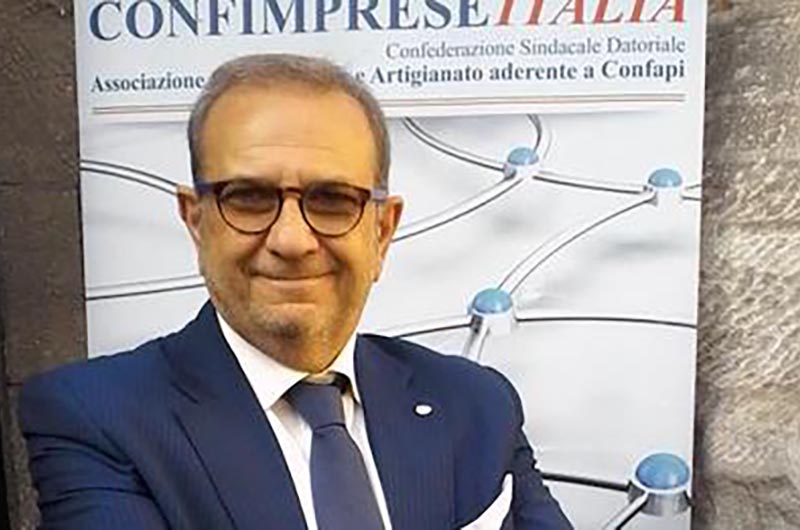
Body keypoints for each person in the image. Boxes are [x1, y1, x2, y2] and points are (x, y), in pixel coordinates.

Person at [20, 54, 573, 530]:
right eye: (248, 198)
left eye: (332, 200)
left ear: (381, 231)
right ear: (196, 221)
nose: (291, 240)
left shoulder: (475, 405)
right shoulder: (95, 417)